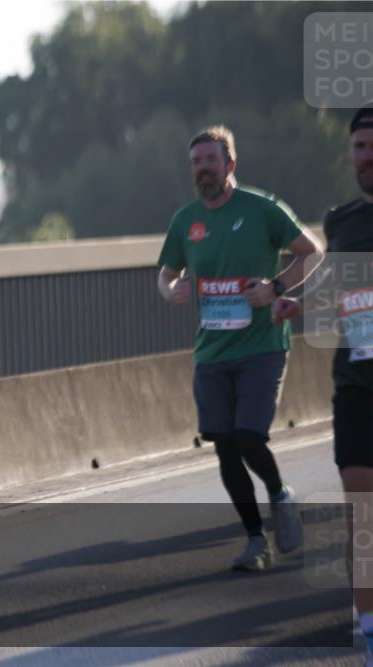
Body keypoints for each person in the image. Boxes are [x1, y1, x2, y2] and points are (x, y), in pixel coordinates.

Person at [156, 126, 324, 571]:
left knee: (249, 436)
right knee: (225, 447)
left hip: (262, 346)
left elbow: (313, 251)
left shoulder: (262, 209)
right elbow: (166, 272)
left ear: (230, 165)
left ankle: (278, 493)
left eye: (210, 161)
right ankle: (255, 540)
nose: (202, 170)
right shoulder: (185, 221)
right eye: (195, 163)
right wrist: (169, 288)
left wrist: (276, 287)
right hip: (211, 353)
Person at [272, 105, 373, 664]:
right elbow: (330, 274)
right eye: (359, 147)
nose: (366, 157)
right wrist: (297, 302)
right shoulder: (343, 220)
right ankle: (369, 631)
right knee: (362, 507)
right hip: (357, 381)